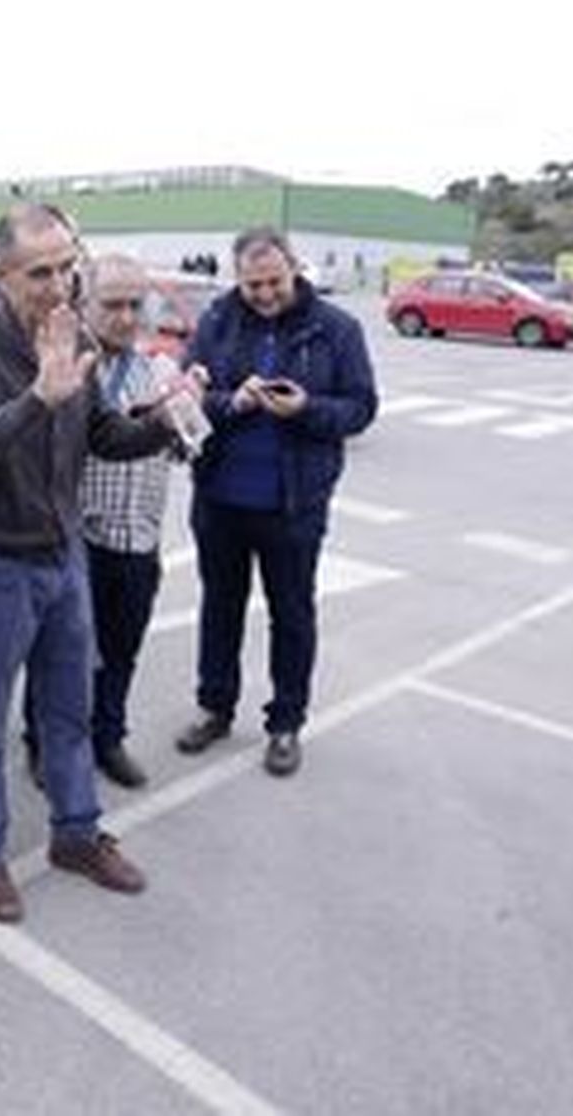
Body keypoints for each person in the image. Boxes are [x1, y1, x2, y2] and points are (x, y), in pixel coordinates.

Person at [0, 204, 182, 925]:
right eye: (39, 271)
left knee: (69, 708)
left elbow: (102, 432)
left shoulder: (72, 335)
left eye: (66, 265)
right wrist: (38, 398)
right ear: (1, 273)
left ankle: (76, 832)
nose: (57, 283)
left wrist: (162, 421)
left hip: (62, 556)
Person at [177, 226, 377, 777]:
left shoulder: (335, 328)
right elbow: (190, 397)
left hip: (294, 503)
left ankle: (285, 723)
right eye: (252, 284)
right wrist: (232, 401)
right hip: (220, 497)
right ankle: (215, 707)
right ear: (236, 278)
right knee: (220, 606)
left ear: (295, 268)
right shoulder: (218, 319)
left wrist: (308, 408)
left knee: (291, 614)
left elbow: (361, 407)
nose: (264, 293)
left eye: (274, 281)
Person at [23, 253, 193, 792]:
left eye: (135, 305)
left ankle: (108, 737)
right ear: (83, 304)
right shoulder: (64, 366)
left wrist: (184, 413)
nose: (125, 317)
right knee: (60, 653)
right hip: (78, 540)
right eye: (112, 304)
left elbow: (191, 448)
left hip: (140, 540)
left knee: (121, 648)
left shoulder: (162, 369)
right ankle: (43, 742)